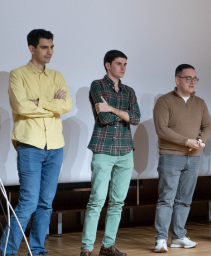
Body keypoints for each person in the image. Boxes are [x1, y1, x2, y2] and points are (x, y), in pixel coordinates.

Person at [2, 29, 72, 256]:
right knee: (29, 202)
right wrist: (52, 104)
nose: (49, 51)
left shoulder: (57, 76)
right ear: (32, 49)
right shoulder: (17, 74)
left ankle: (38, 251)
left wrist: (39, 102)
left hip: (55, 146)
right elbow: (21, 107)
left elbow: (67, 105)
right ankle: (6, 251)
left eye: (52, 47)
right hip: (30, 145)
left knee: (46, 204)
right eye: (44, 47)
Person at [81, 50, 141, 256]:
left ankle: (107, 246)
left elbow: (135, 118)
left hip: (125, 150)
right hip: (104, 148)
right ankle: (86, 248)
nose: (123, 67)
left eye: (125, 64)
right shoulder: (97, 85)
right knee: (97, 199)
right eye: (118, 64)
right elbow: (103, 119)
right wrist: (123, 114)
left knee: (118, 201)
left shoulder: (129, 91)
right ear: (108, 65)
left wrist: (112, 109)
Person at [153, 64, 211, 252]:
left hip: (193, 157)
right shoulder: (164, 101)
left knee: (185, 199)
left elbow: (208, 126)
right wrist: (186, 141)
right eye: (188, 78)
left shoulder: (200, 102)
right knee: (167, 198)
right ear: (177, 79)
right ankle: (161, 238)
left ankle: (179, 236)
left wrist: (201, 140)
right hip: (171, 156)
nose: (192, 82)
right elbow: (162, 129)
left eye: (195, 78)